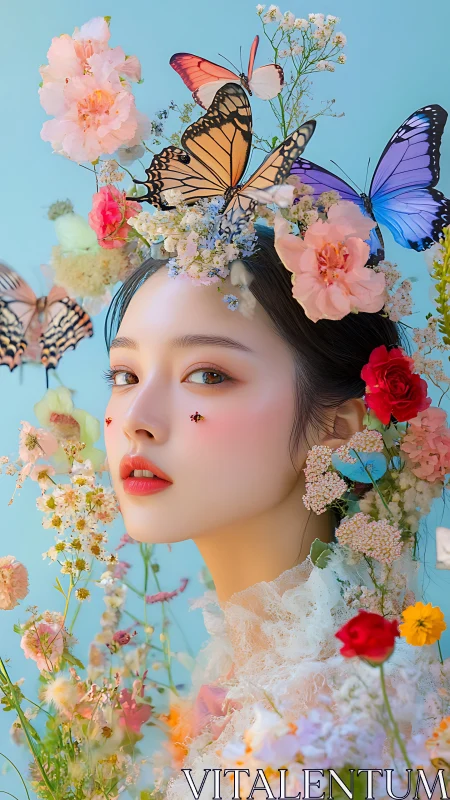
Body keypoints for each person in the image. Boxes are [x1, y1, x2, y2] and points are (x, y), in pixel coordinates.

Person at [103, 226, 446, 799]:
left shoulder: (325, 727)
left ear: (340, 428)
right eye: (124, 375)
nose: (137, 418)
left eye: (208, 375)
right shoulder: (249, 678)